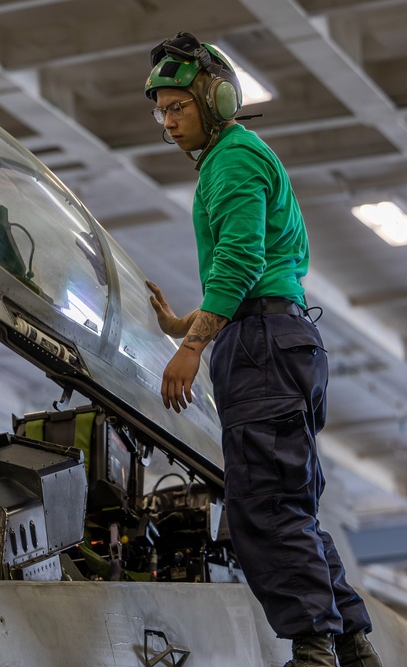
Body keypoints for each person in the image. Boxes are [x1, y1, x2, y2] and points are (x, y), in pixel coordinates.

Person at [142, 32, 383, 667]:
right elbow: (259, 273)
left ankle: (313, 650)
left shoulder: (233, 160)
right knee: (290, 502)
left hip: (261, 349)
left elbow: (243, 260)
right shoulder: (239, 158)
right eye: (161, 111)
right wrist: (179, 323)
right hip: (280, 340)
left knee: (263, 508)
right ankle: (353, 643)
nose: (167, 123)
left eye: (178, 108)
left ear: (215, 100)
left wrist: (191, 347)